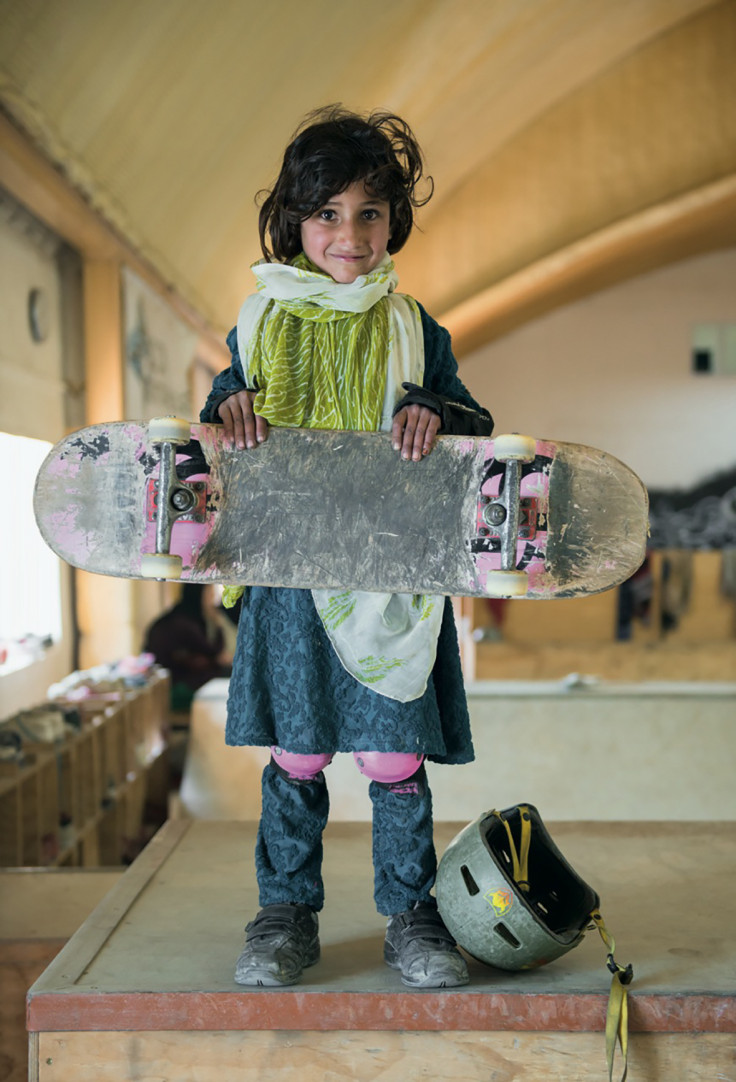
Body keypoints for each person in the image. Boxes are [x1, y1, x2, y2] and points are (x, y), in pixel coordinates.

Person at [200, 106, 493, 989]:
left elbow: (476, 425)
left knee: (392, 758)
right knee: (299, 753)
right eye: (327, 213)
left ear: (393, 221)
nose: (348, 234)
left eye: (369, 213)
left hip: (389, 582)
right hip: (290, 584)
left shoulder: (415, 328)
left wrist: (433, 413)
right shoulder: (257, 327)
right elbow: (215, 422)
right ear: (293, 220)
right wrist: (228, 412)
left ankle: (411, 916)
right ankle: (284, 914)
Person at [144, 584, 233, 710]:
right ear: (198, 595)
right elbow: (215, 653)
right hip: (172, 688)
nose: (213, 598)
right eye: (210, 593)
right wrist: (217, 623)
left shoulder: (184, 615)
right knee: (226, 673)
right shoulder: (181, 623)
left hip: (175, 680)